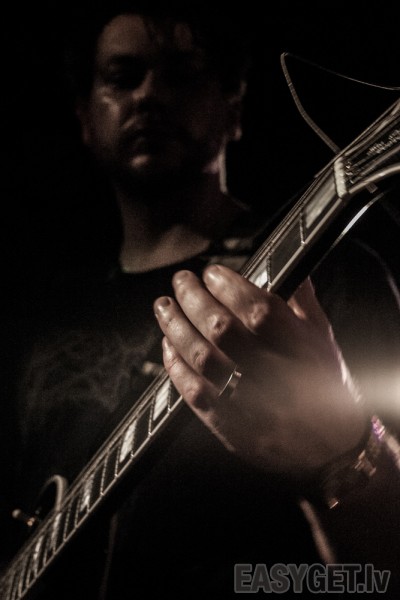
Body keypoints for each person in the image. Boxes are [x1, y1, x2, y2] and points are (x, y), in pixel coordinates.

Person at [1, 2, 400, 598]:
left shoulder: (327, 276)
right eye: (122, 77)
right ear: (84, 118)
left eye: (181, 74)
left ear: (233, 110)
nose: (148, 95)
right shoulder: (41, 321)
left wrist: (345, 452)